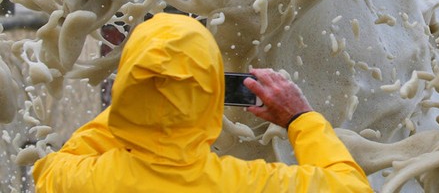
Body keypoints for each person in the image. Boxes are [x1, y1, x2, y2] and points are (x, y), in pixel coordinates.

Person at [33, 12, 373, 192]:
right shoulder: (248, 185)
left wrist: (141, 93)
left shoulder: (79, 181)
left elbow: (51, 167)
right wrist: (300, 118)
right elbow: (351, 188)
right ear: (211, 92)